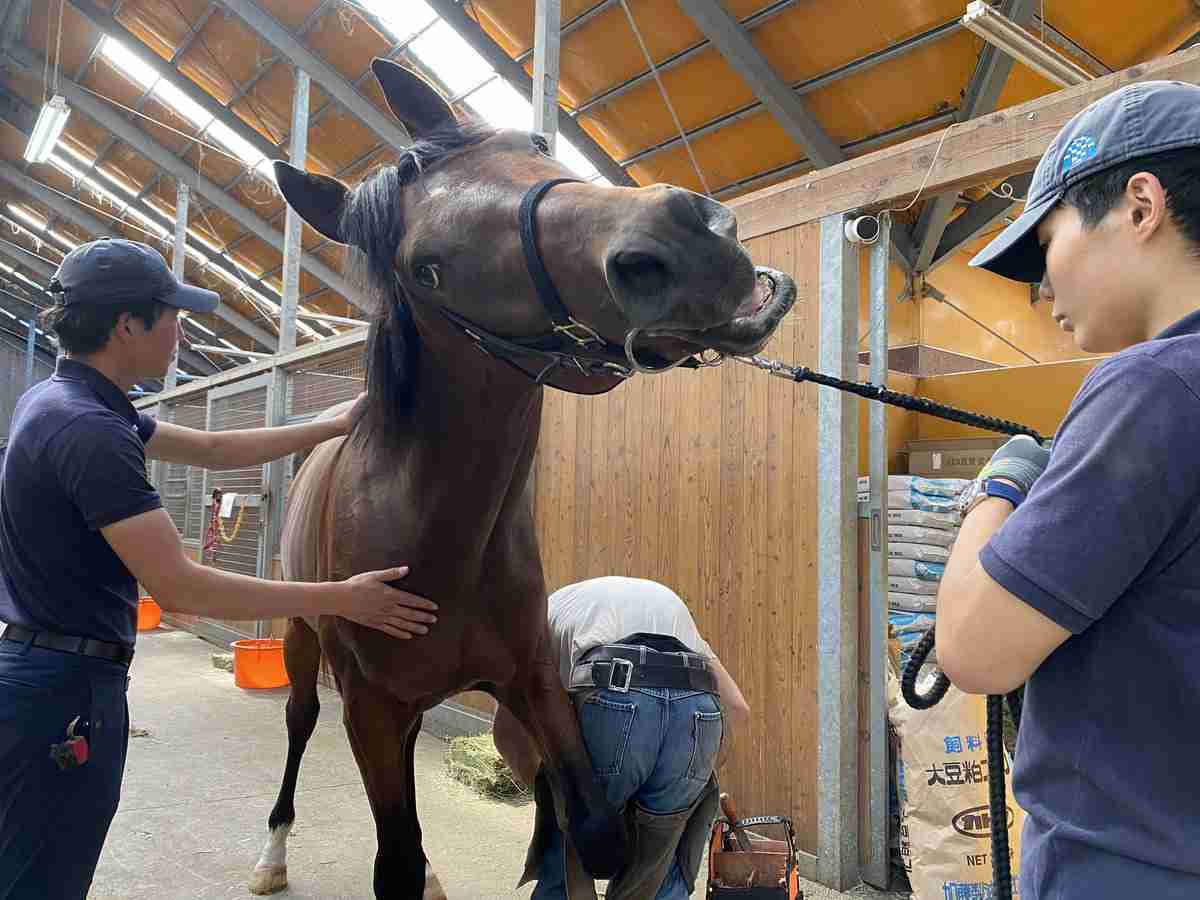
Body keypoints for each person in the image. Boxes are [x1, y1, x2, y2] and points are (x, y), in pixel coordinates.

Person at [0, 238, 438, 899]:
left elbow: (210, 446)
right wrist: (341, 597)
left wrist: (331, 425)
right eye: (172, 314)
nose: (182, 329)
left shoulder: (66, 400)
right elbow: (180, 586)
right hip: (65, 689)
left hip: (53, 671)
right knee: (45, 873)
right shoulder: (89, 431)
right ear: (127, 325)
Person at [937, 81, 1200, 899]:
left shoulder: (1155, 387)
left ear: (1140, 205)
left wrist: (1001, 483)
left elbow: (975, 650)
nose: (1040, 290)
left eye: (1045, 243)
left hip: (1130, 865)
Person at [493, 576, 750, 899]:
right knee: (662, 862)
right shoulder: (671, 609)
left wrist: (562, 796)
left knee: (568, 847)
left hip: (615, 692)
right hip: (698, 708)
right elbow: (738, 709)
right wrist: (693, 781)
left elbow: (507, 733)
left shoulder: (546, 615)